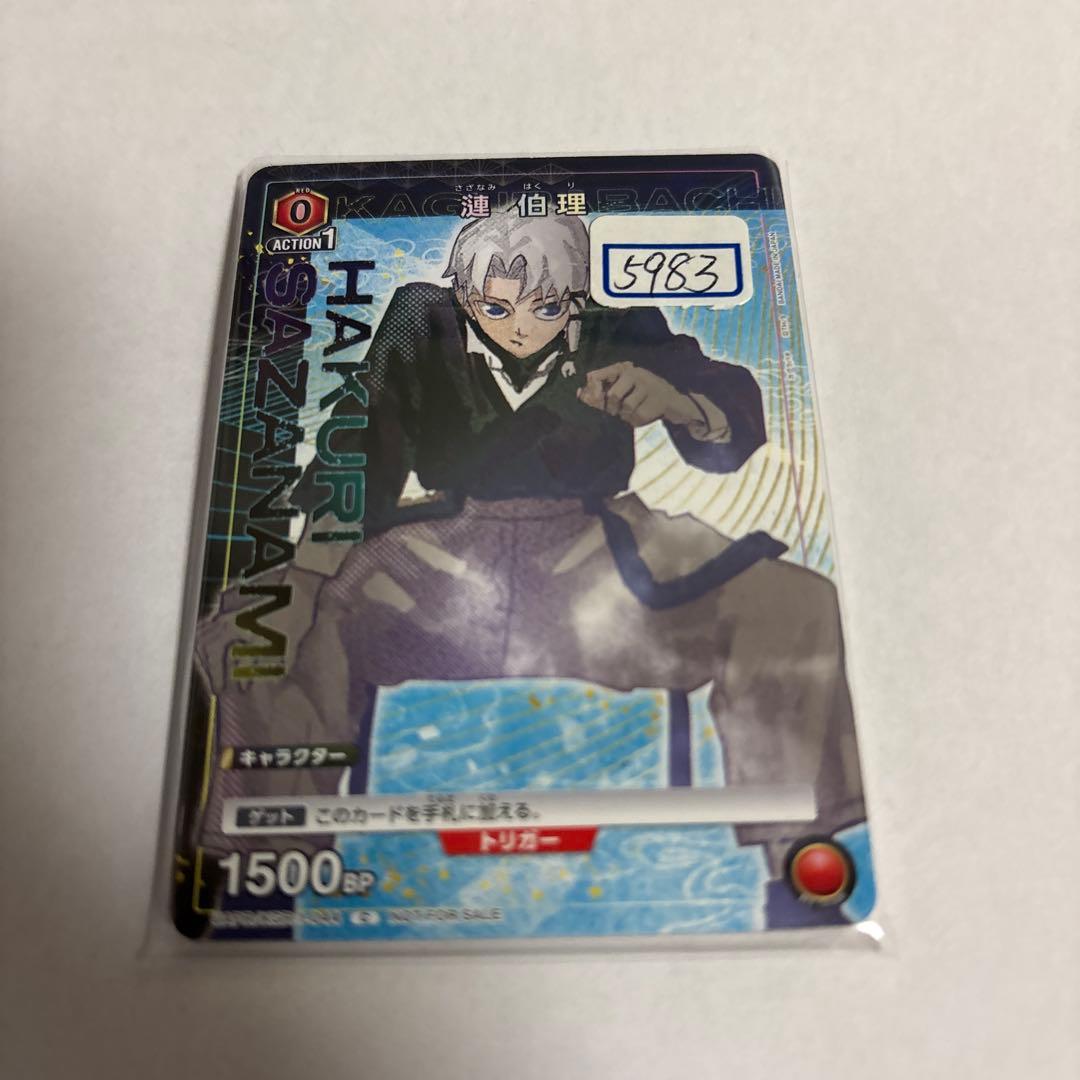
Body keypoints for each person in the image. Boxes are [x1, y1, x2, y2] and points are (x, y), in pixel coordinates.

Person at [194, 207, 865, 926]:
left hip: (598, 555)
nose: (521, 327)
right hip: (436, 553)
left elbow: (729, 408)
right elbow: (358, 442)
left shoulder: (622, 328)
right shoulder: (421, 318)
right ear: (463, 295)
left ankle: (802, 862)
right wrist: (313, 573)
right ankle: (257, 870)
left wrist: (676, 402)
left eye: (546, 307)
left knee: (792, 603)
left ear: (576, 298)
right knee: (263, 622)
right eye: (495, 308)